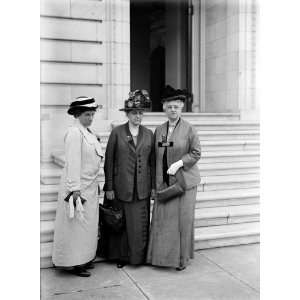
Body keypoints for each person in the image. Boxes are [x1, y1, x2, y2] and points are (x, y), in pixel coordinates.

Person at [98, 90, 155, 268]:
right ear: (127, 114)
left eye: (140, 113)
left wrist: (153, 187)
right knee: (121, 225)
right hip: (122, 187)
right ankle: (121, 257)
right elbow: (109, 161)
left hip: (142, 189)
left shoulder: (148, 134)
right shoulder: (117, 132)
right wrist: (109, 187)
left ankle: (138, 258)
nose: (138, 116)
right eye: (134, 113)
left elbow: (152, 163)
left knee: (139, 226)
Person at [147, 85, 201, 271]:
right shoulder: (159, 130)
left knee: (182, 222)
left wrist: (180, 163)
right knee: (163, 221)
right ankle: (160, 257)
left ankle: (181, 260)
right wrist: (155, 185)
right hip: (164, 183)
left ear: (181, 108)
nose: (173, 110)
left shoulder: (189, 129)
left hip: (184, 183)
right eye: (169, 106)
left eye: (176, 107)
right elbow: (154, 158)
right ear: (164, 108)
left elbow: (196, 153)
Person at [52, 96, 103, 277]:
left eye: (92, 114)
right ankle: (74, 263)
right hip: (78, 188)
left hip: (90, 186)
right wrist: (75, 189)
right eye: (87, 114)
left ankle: (85, 258)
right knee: (76, 228)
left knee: (87, 228)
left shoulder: (88, 132)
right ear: (78, 114)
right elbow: (73, 162)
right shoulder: (74, 132)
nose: (90, 118)